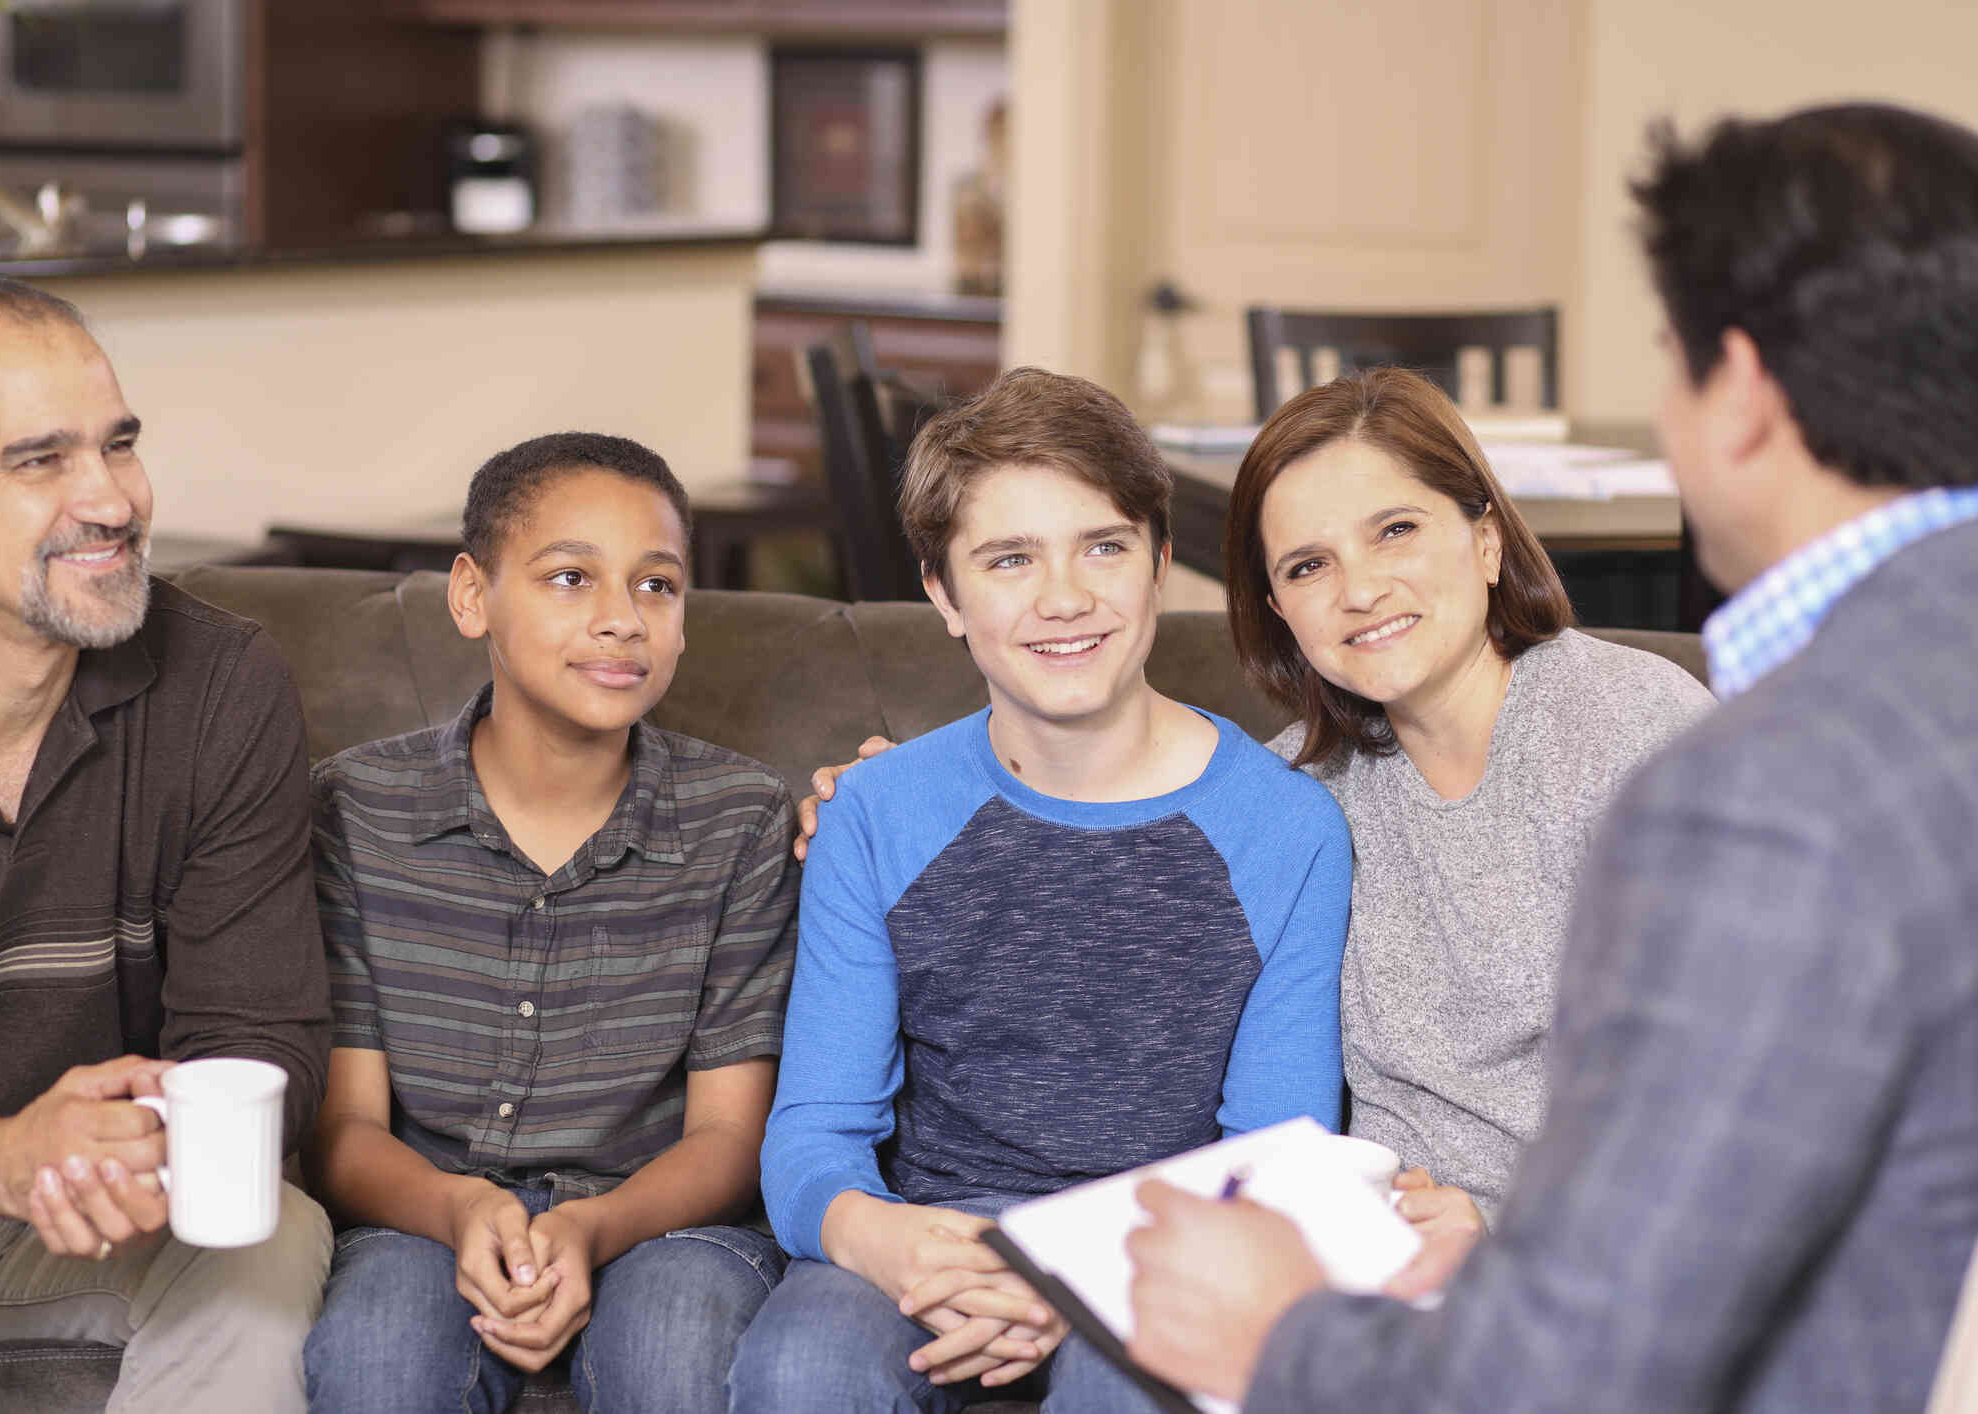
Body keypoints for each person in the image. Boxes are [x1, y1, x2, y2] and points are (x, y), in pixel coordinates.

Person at [1124, 101, 1978, 1414]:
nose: (1357, 586)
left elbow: (1588, 1360)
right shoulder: (1909, 692)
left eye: (1669, 364)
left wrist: (1278, 1335)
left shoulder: (1756, 781)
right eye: (1306, 564)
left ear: (1736, 390)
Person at [729, 367, 1352, 1414]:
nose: (1065, 598)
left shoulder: (1287, 831)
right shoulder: (877, 813)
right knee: (801, 1371)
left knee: (1143, 1391)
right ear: (941, 592)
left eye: (1102, 546)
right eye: (1010, 559)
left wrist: (1067, 1274)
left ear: (1161, 560)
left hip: (1168, 1236)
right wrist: (877, 1234)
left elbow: (1271, 1157)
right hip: (937, 1223)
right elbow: (813, 1134)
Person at [0, 274, 332, 1412]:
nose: (113, 499)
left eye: (118, 446)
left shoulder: (221, 684)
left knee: (275, 1241)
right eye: (42, 461)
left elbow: (267, 1039)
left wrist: (142, 1146)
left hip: (110, 1234)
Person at [301, 433, 798, 1414]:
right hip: (425, 1213)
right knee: (377, 1350)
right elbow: (345, 1132)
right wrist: (464, 1206)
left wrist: (594, 1226)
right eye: (571, 577)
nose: (621, 619)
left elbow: (730, 1136)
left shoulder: (740, 817)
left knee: (674, 1341)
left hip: (666, 1221)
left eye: (657, 586)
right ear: (471, 594)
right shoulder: (354, 808)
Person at [1229, 366, 1711, 1280]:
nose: (1358, 590)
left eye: (1395, 532)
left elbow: (1730, 1099)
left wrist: (1501, 1245)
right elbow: (1119, 850)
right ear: (1278, 611)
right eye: (1307, 565)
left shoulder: (1633, 734)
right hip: (1374, 1266)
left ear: (1485, 543)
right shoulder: (1292, 787)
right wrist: (887, 792)